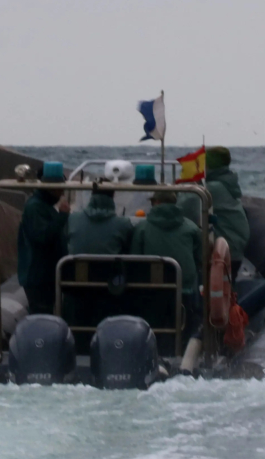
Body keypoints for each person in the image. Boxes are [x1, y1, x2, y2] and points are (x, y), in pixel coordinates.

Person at [131, 190, 203, 343]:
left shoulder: (142, 228)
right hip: (184, 288)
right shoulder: (191, 228)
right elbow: (201, 258)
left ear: (156, 203)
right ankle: (184, 351)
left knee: (152, 324)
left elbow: (134, 259)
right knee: (186, 324)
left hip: (152, 289)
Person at [178, 146, 250, 279]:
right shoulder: (226, 183)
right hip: (234, 248)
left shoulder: (211, 189)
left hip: (225, 252)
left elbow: (182, 207)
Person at [17, 162, 70, 314]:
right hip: (38, 276)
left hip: (45, 274)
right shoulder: (35, 207)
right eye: (60, 187)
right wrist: (62, 216)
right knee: (41, 311)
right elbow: (42, 237)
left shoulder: (44, 205)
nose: (62, 191)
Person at [67, 189, 133, 256]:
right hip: (109, 266)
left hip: (77, 266)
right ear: (113, 196)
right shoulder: (123, 224)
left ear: (92, 194)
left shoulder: (73, 219)